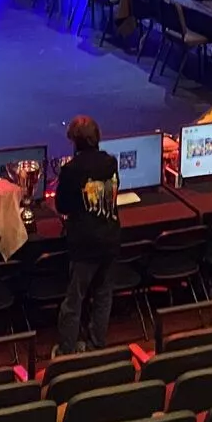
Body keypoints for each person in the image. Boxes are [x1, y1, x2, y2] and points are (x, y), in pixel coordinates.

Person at [53, 115, 121, 355]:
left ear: (75, 142)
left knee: (74, 300)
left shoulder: (72, 170)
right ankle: (97, 344)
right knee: (103, 295)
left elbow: (62, 206)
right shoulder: (111, 163)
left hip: (85, 245)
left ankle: (67, 350)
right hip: (111, 239)